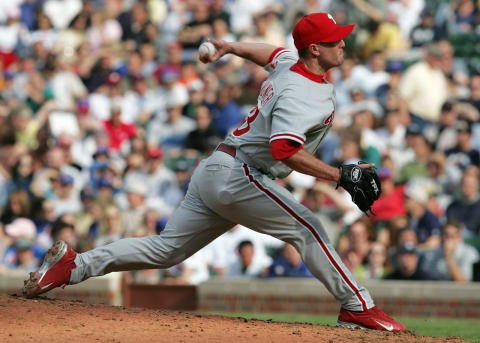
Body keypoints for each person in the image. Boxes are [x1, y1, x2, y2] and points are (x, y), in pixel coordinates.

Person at [23, 13, 405, 332]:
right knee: (309, 230)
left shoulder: (293, 64)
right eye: (335, 40)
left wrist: (231, 47)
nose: (343, 44)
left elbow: (271, 53)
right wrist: (339, 175)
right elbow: (283, 149)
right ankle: (357, 305)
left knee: (166, 249)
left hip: (216, 168)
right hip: (242, 174)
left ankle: (74, 266)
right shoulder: (303, 92)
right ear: (315, 49)